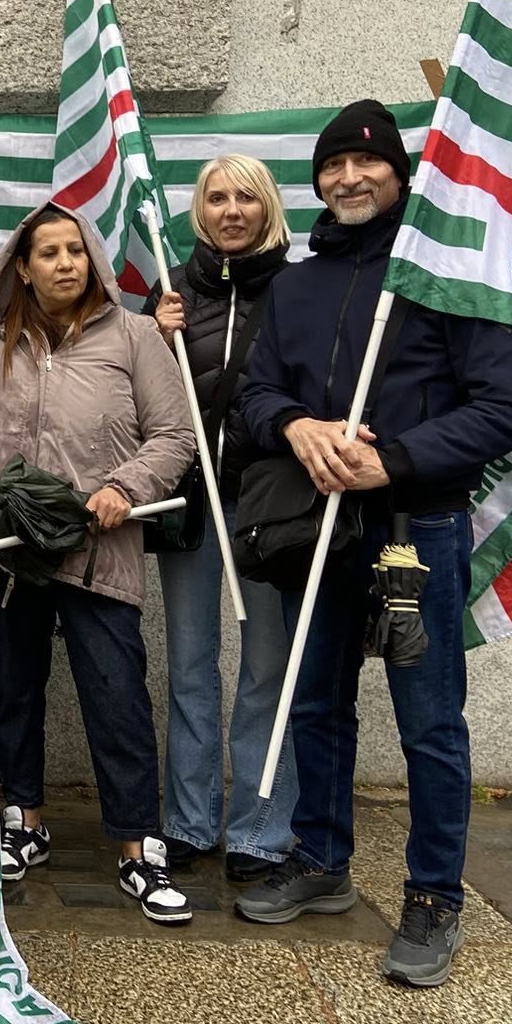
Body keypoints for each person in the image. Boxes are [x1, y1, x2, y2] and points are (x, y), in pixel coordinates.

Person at [233, 98, 512, 987]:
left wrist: (391, 460)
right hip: (317, 528)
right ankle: (322, 860)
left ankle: (435, 896)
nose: (349, 177)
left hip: (418, 527)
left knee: (429, 720)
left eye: (367, 163)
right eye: (333, 165)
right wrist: (295, 427)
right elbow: (256, 394)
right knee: (318, 702)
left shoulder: (446, 276)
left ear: (401, 175)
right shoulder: (295, 285)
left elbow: (509, 406)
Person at [0, 204, 196, 923]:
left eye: (76, 250)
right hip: (9, 550)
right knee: (15, 689)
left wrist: (125, 488)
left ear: (94, 258)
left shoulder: (135, 335)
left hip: (98, 545)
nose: (66, 263)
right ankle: (24, 819)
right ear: (24, 265)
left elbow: (175, 435)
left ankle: (138, 847)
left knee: (117, 695)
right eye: (47, 252)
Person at [149, 155, 298, 883]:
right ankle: (189, 819)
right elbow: (137, 394)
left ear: (268, 208)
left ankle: (261, 830)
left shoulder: (298, 290)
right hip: (191, 500)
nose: (231, 210)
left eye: (246, 197)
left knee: (268, 666)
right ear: (198, 211)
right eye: (216, 198)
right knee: (189, 663)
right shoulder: (170, 290)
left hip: (269, 503)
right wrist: (152, 335)